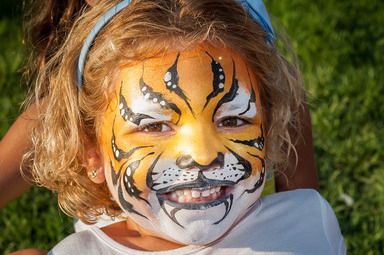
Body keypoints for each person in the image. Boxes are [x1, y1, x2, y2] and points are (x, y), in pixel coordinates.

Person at [16, 0, 345, 254]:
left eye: (232, 120)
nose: (202, 155)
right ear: (91, 153)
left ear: (270, 130)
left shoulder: (309, 222)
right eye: (155, 126)